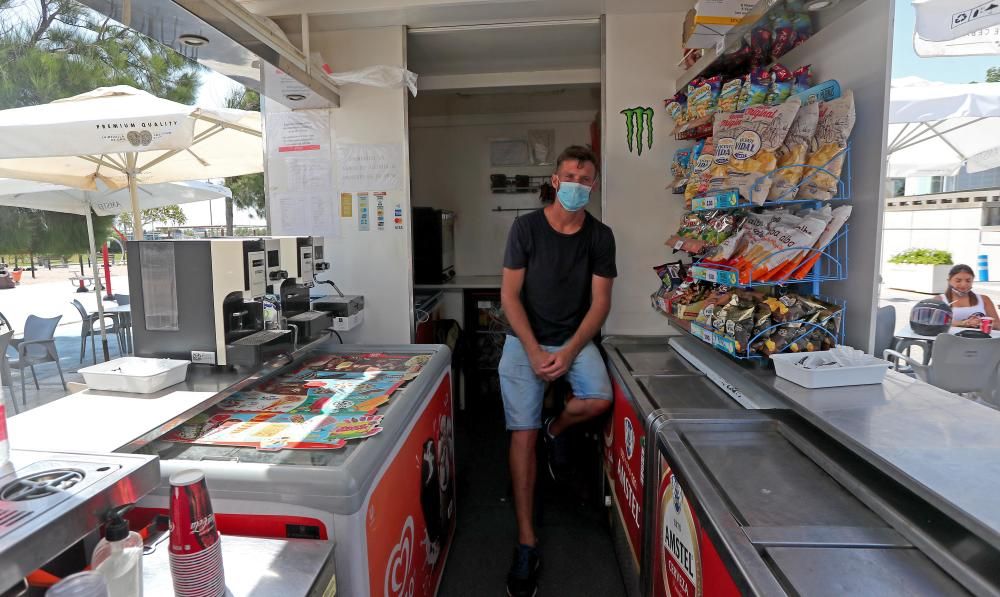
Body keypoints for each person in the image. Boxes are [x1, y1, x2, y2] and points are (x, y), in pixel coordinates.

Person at [499, 145, 616, 597]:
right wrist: (532, 350)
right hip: (522, 338)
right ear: (554, 179)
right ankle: (527, 541)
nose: (576, 186)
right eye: (569, 177)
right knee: (520, 433)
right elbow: (509, 296)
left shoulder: (600, 236)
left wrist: (567, 352)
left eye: (584, 180)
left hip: (574, 339)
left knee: (598, 400)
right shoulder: (525, 228)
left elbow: (601, 303)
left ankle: (557, 427)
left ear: (594, 185)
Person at [938, 264, 999, 328]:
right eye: (958, 281)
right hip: (949, 337)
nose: (963, 284)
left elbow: (998, 324)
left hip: (980, 337)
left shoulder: (984, 299)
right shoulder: (939, 300)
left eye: (968, 281)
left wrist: (981, 323)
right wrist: (962, 323)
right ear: (949, 281)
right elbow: (932, 323)